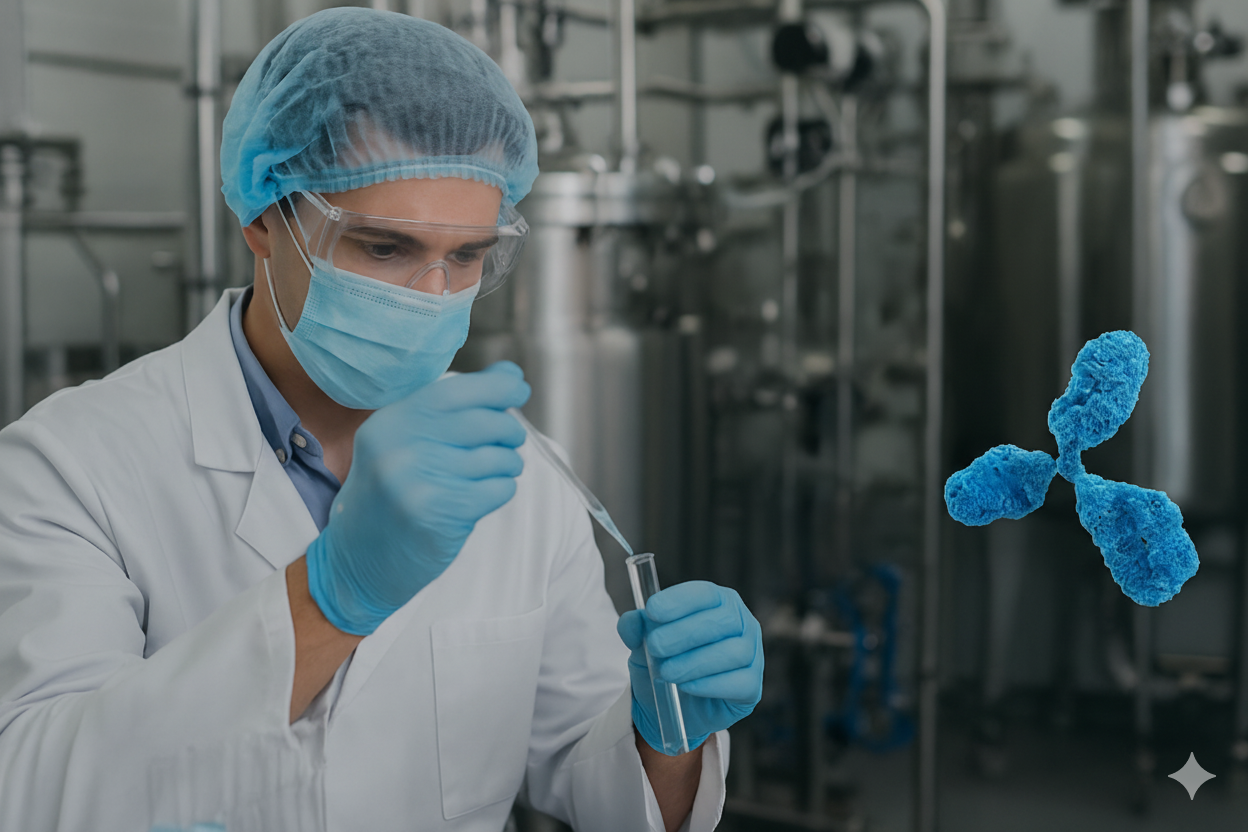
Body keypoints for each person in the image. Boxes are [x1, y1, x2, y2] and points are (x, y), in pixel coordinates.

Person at [0, 8, 763, 831]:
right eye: (384, 248)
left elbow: (587, 772)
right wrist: (332, 598)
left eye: (467, 256)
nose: (433, 297)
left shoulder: (519, 472)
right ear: (263, 217)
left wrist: (665, 736)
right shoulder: (70, 466)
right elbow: (35, 792)